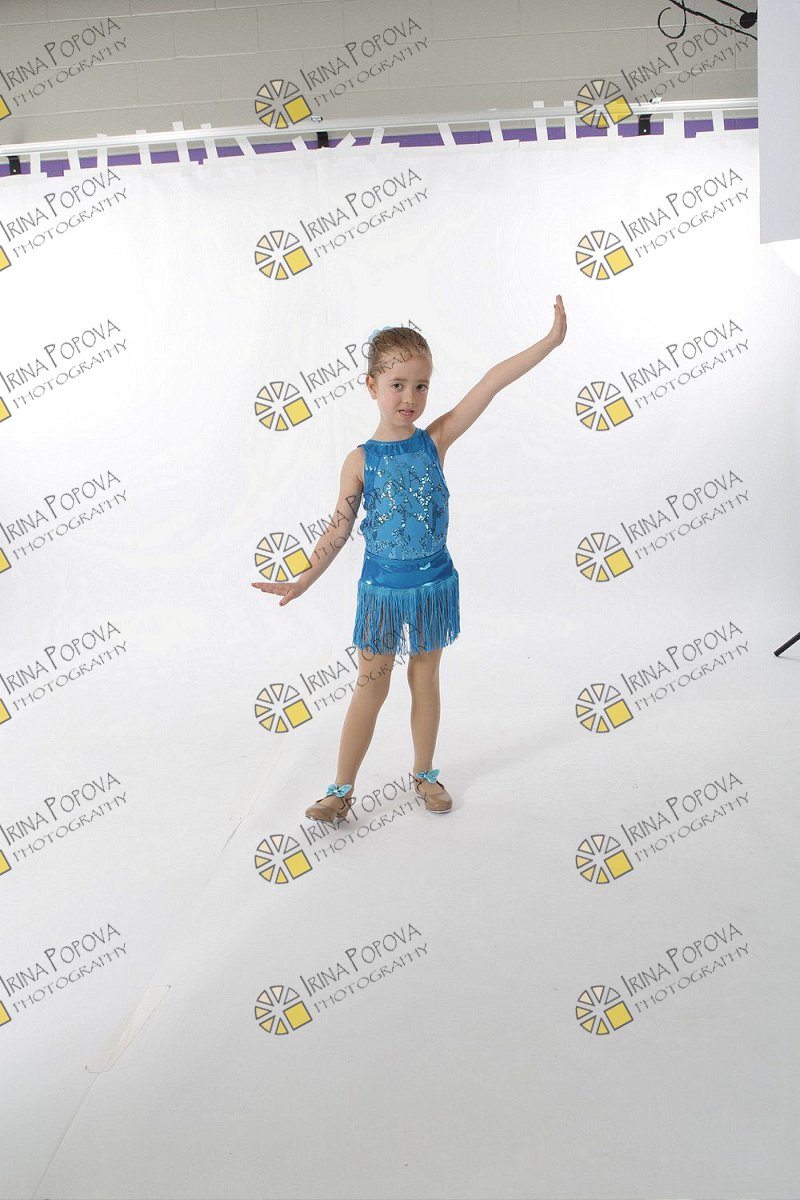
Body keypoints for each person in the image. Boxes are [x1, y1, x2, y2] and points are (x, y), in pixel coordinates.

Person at [252, 297, 567, 822]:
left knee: (425, 678)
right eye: (397, 385)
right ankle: (340, 790)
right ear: (371, 386)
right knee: (370, 688)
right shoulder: (360, 460)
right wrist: (303, 579)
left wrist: (549, 342)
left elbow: (490, 383)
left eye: (421, 386)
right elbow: (339, 527)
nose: (409, 397)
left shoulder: (434, 441)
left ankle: (424, 774)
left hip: (432, 586)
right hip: (381, 589)